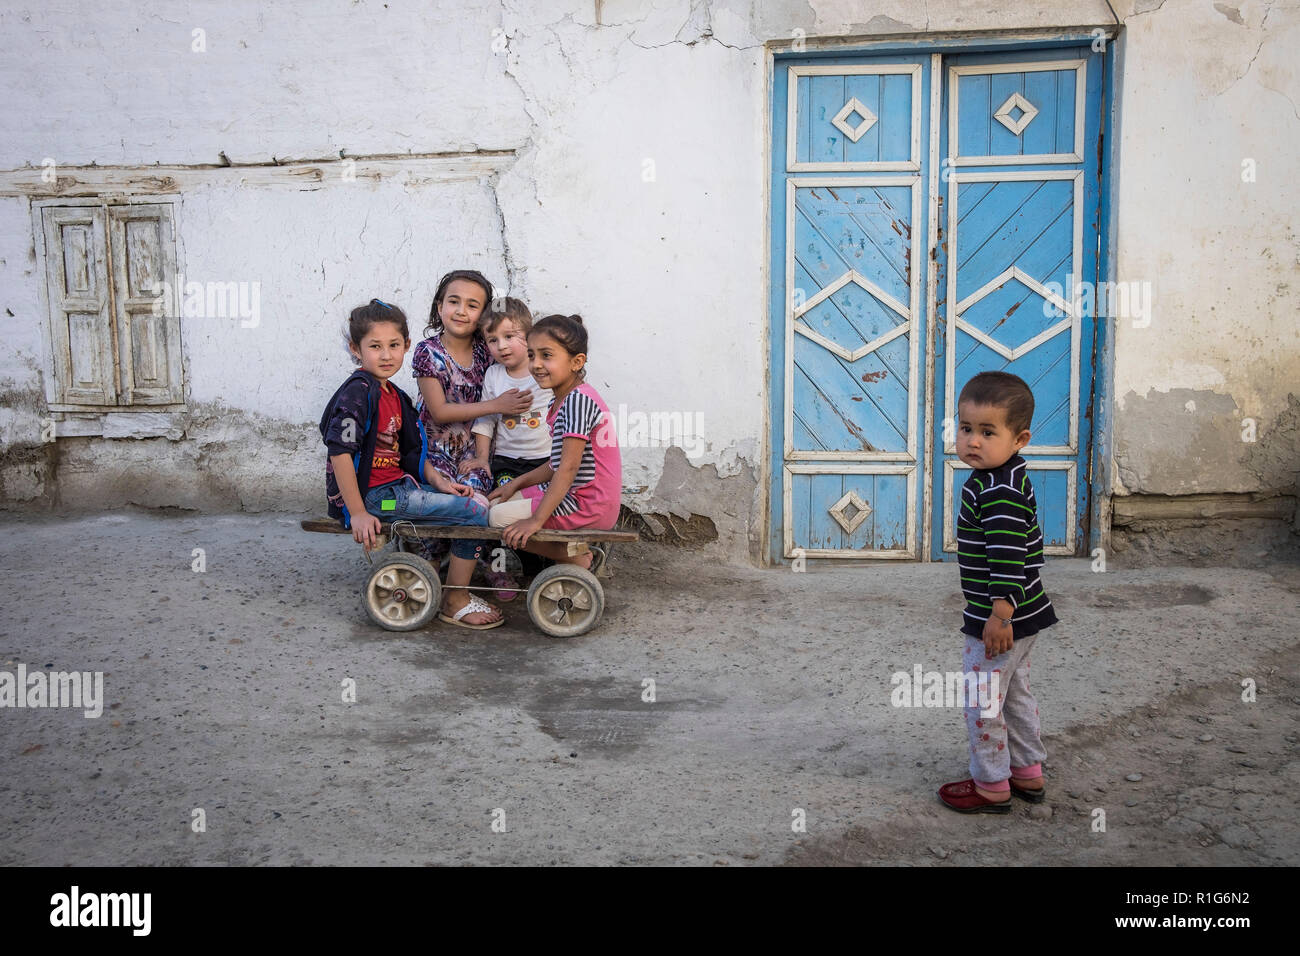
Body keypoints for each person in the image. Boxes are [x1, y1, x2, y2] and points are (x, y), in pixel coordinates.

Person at [319, 298, 503, 630]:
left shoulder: (396, 396)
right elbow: (340, 452)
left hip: (399, 488)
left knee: (466, 500)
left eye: (393, 345)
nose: (386, 354)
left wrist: (441, 483)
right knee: (476, 511)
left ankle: (433, 574)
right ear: (355, 348)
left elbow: (410, 455)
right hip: (379, 499)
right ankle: (455, 598)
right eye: (375, 346)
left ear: (406, 345)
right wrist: (358, 511)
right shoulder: (357, 393)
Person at [938, 370, 1059, 813]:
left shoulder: (997, 491)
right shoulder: (1003, 477)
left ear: (1019, 438)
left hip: (1004, 617)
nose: (973, 441)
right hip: (1025, 614)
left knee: (982, 698)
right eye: (966, 428)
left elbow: (1010, 556)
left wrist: (999, 615)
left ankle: (991, 783)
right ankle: (1027, 772)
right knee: (1015, 694)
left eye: (988, 432)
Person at [486, 314, 622, 569]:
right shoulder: (561, 400)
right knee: (498, 501)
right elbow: (556, 464)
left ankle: (577, 559)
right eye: (531, 355)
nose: (536, 364)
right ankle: (570, 555)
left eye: (546, 355)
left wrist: (536, 520)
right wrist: (515, 483)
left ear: (576, 362)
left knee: (497, 518)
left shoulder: (578, 401)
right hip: (577, 497)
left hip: (587, 505)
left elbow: (567, 470)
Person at [468, 297, 555, 589]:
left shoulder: (541, 371)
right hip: (507, 461)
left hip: (543, 461)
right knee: (501, 514)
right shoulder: (493, 375)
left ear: (528, 336)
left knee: (537, 514)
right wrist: (482, 458)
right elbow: (486, 419)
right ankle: (500, 572)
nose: (501, 346)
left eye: (509, 336)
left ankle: (544, 569)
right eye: (492, 340)